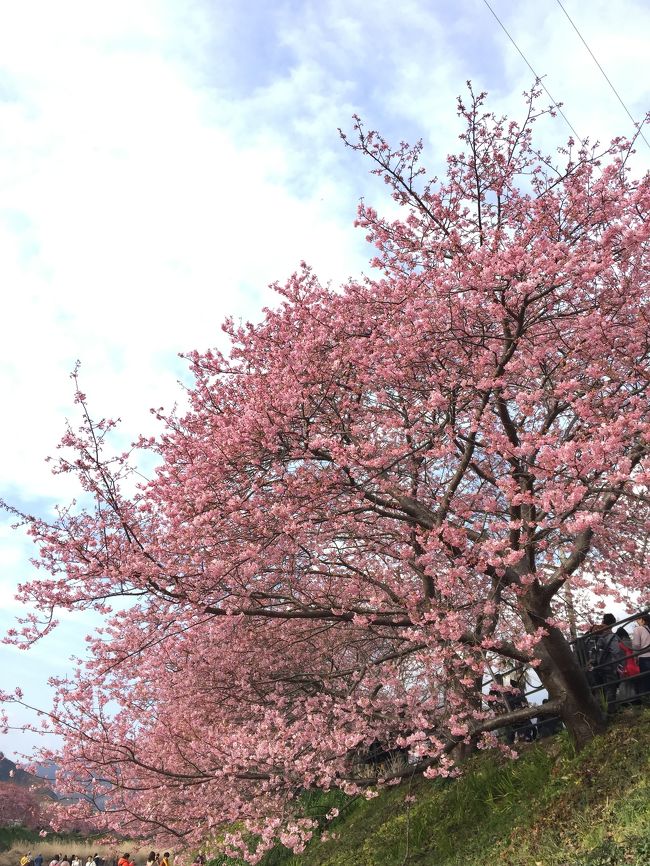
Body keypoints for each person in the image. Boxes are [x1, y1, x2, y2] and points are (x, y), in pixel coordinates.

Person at [589, 613, 624, 712]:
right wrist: (615, 667)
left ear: (603, 621)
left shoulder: (595, 635)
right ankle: (611, 711)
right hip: (608, 666)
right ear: (613, 623)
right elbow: (616, 652)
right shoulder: (610, 636)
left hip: (596, 667)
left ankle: (601, 712)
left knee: (600, 691)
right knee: (610, 689)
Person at [632, 613, 650, 697]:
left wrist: (635, 657)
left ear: (642, 620)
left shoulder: (638, 629)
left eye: (638, 619)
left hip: (644, 657)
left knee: (646, 680)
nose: (637, 621)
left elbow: (636, 645)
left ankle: (647, 701)